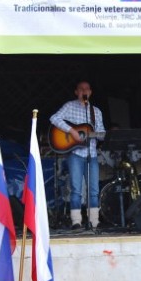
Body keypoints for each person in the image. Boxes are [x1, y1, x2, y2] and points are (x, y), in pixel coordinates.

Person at [50, 80, 105, 230]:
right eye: (81, 89)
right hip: (75, 154)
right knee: (76, 189)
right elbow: (54, 118)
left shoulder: (96, 112)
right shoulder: (69, 106)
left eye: (87, 89)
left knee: (94, 189)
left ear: (91, 92)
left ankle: (94, 221)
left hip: (91, 154)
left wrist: (103, 135)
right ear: (76, 92)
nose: (84, 91)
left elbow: (101, 134)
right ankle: (76, 221)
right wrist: (72, 131)